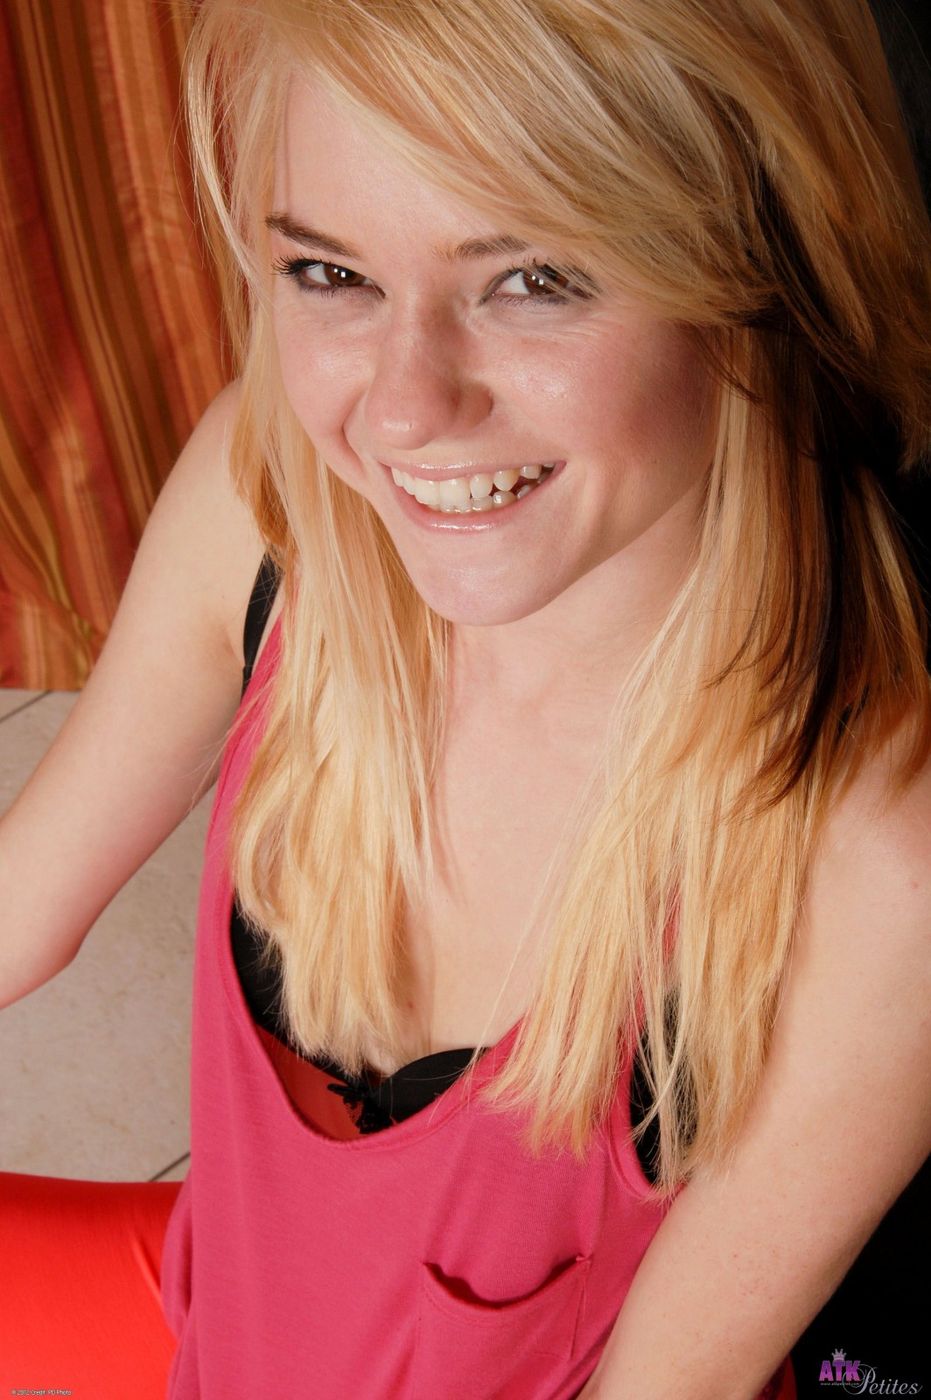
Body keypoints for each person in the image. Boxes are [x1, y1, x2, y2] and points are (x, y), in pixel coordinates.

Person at [1, 0, 930, 1396]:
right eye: (329, 273)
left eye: (534, 279)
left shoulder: (880, 864)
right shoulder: (268, 509)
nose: (400, 411)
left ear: (766, 278)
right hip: (219, 1322)